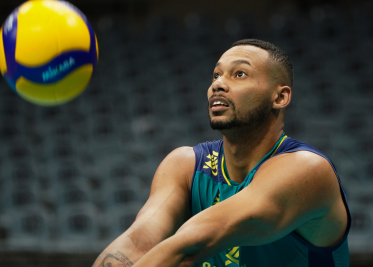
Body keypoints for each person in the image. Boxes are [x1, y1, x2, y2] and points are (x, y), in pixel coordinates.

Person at [92, 39, 351, 267]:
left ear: (280, 97)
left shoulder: (306, 170)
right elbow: (138, 244)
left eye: (239, 74)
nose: (218, 84)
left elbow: (190, 245)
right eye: (216, 75)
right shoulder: (184, 166)